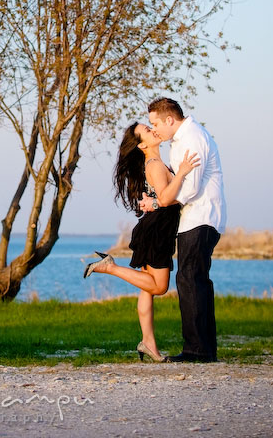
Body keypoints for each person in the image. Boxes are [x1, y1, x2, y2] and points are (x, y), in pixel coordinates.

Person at [83, 121, 200, 362]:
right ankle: (110, 267)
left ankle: (148, 342)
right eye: (147, 130)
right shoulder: (155, 165)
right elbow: (167, 199)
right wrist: (183, 172)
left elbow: (161, 197)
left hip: (154, 226)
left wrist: (157, 199)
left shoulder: (154, 163)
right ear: (143, 144)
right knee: (158, 287)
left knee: (147, 289)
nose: (152, 129)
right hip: (159, 229)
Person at [147, 97, 226, 363]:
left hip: (201, 217)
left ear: (170, 119)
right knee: (195, 280)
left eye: (155, 123)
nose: (154, 129)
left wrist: (160, 201)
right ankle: (204, 348)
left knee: (190, 279)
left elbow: (190, 189)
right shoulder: (181, 141)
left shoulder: (191, 138)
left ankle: (197, 350)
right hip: (195, 218)